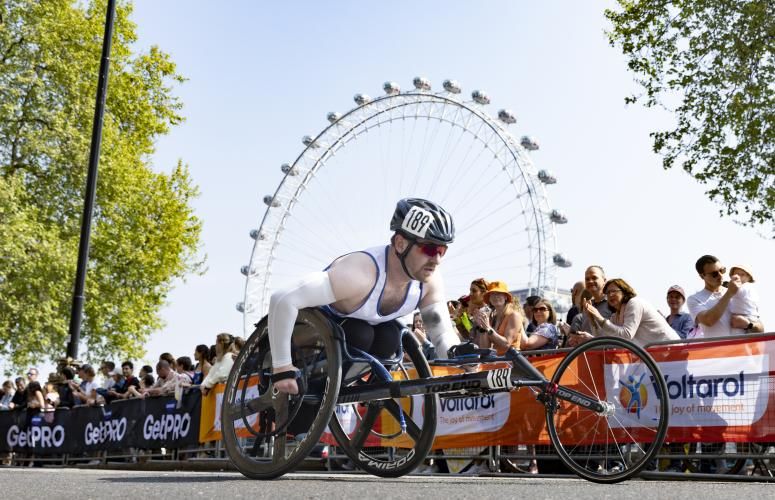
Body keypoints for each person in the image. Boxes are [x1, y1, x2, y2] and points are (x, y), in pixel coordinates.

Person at [269, 198, 460, 395]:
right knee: (360, 333)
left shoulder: (429, 281)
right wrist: (282, 366)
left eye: (442, 250)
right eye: (429, 248)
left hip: (355, 344)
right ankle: (312, 399)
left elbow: (442, 334)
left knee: (390, 336)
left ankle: (364, 395)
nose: (436, 259)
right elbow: (282, 298)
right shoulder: (359, 274)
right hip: (308, 339)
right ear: (401, 244)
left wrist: (460, 357)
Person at [577, 278, 680, 347]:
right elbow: (604, 337)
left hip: (672, 349)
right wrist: (592, 319)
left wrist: (600, 318)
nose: (610, 295)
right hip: (656, 355)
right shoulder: (616, 315)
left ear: (624, 291)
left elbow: (626, 335)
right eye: (608, 293)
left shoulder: (634, 303)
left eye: (614, 291)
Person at [687, 255, 764, 338]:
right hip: (717, 350)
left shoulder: (740, 292)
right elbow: (708, 321)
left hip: (742, 349)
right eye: (714, 274)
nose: (720, 275)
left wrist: (749, 325)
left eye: (722, 270)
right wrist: (729, 293)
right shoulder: (694, 299)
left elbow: (761, 329)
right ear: (702, 276)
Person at [567, 266, 614, 347]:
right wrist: (575, 340)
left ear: (604, 281)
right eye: (587, 279)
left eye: (594, 277)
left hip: (606, 357)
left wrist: (591, 340)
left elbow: (617, 336)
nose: (590, 281)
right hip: (586, 357)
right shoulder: (587, 306)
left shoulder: (613, 305)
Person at [473, 281, 524, 354]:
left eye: (499, 293)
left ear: (505, 297)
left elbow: (506, 344)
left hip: (511, 361)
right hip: (495, 361)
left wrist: (488, 328)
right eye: (492, 294)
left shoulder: (514, 315)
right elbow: (484, 348)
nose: (495, 296)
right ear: (489, 299)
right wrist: (482, 328)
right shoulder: (491, 317)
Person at [728, 264, 762, 335]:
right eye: (736, 274)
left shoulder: (746, 287)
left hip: (746, 317)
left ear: (748, 278)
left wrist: (726, 286)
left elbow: (736, 291)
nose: (739, 277)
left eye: (742, 275)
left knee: (738, 338)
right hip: (743, 318)